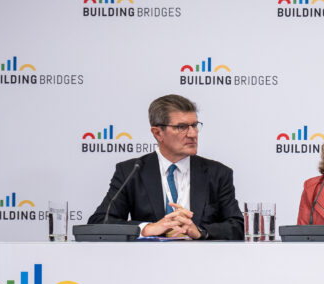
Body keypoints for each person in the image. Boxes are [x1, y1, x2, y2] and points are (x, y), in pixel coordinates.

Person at [88, 94, 243, 240]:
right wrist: (147, 228)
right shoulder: (131, 171)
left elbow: (238, 227)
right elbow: (100, 222)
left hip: (202, 262)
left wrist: (200, 231)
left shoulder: (217, 173)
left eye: (194, 125)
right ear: (158, 133)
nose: (193, 134)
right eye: (182, 127)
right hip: (147, 262)